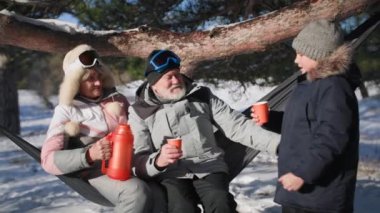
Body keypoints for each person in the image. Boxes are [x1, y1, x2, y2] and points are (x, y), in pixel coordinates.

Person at [128, 49, 281, 213]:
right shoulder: (140, 111)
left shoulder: (202, 96)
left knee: (221, 204)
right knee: (181, 208)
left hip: (208, 165)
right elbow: (139, 157)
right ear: (154, 84)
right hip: (171, 172)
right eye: (168, 77)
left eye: (177, 74)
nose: (176, 80)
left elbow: (237, 126)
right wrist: (158, 161)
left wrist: (280, 144)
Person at [253, 20, 360, 213]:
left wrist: (302, 174)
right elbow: (301, 126)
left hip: (321, 196)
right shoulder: (309, 85)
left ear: (319, 55)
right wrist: (270, 118)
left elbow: (332, 138)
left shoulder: (334, 87)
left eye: (301, 54)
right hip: (301, 193)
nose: (296, 60)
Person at [40, 44, 151, 213]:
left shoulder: (118, 100)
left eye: (99, 76)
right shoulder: (66, 111)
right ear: (75, 82)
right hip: (96, 172)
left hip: (132, 162)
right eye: (90, 79)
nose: (98, 82)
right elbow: (48, 159)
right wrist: (89, 155)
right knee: (135, 193)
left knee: (163, 191)